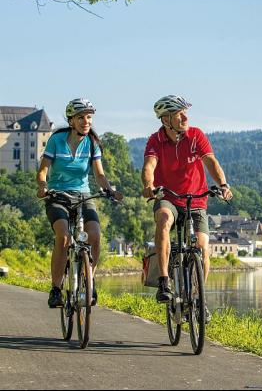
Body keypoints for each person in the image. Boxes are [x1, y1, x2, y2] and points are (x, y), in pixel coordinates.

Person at [141, 95, 233, 319]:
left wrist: (223, 185)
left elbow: (211, 161)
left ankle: (198, 297)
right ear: (166, 120)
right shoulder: (156, 140)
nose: (185, 117)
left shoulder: (196, 135)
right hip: (168, 196)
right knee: (163, 219)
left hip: (196, 199)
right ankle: (164, 282)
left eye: (185, 112)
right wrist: (149, 186)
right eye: (179, 113)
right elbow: (149, 166)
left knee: (202, 247)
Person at [37, 98, 123, 308]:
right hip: (58, 195)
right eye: (81, 117)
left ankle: (89, 281)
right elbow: (43, 170)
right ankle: (56, 289)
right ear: (71, 120)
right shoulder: (57, 140)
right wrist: (42, 185)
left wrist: (109, 189)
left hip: (84, 195)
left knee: (94, 236)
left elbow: (99, 174)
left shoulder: (92, 143)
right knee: (64, 237)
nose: (86, 121)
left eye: (89, 117)